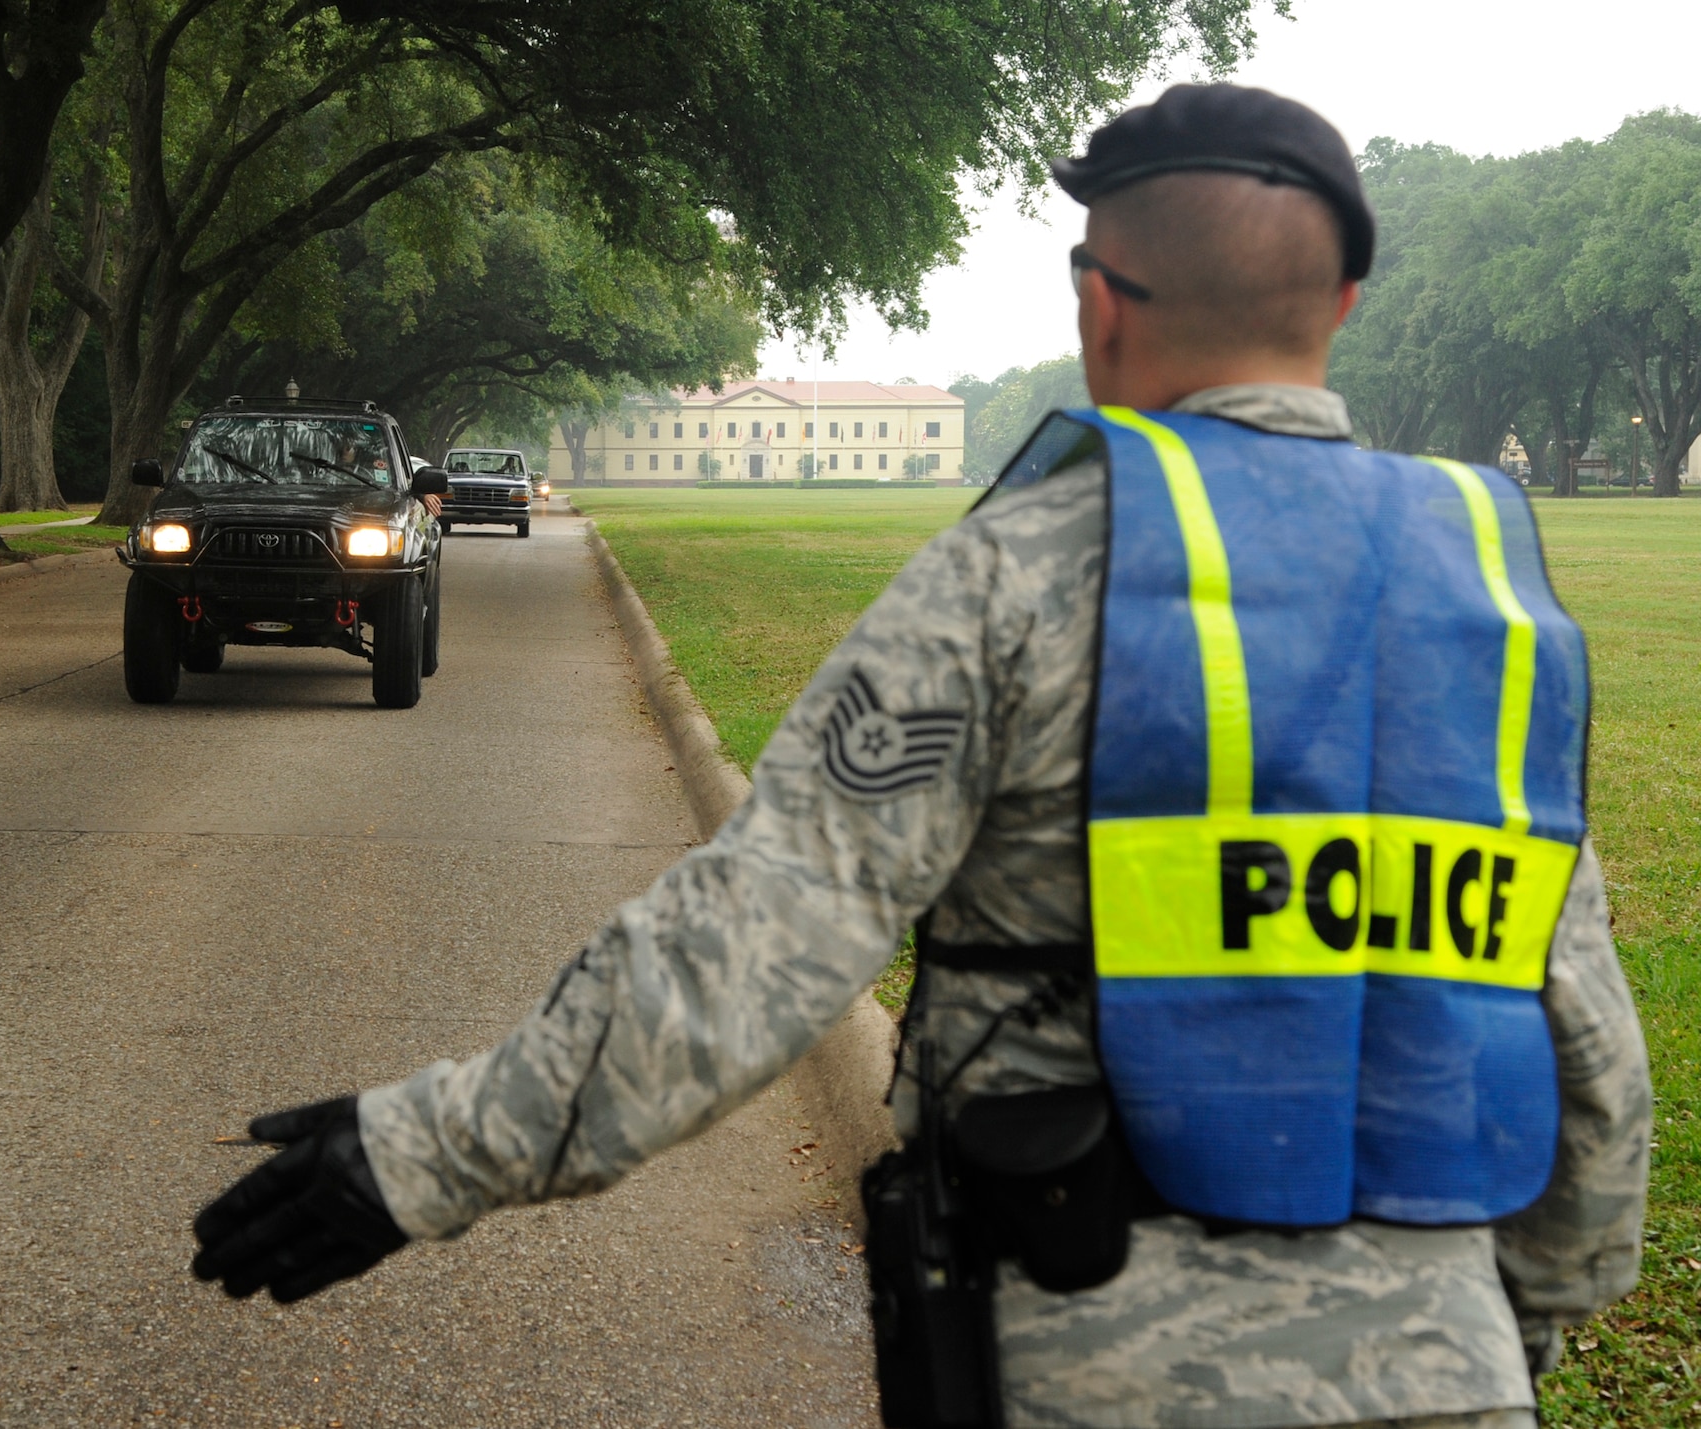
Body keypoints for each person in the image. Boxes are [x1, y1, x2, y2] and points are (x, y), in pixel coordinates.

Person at [191, 85, 1650, 1429]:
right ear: (1341, 302)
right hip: (1454, 1362)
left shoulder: (1016, 578)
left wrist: (422, 1154)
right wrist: (1496, 1329)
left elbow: (749, 943)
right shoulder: (1487, 594)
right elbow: (1586, 1042)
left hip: (1102, 1357)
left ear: (1098, 301)